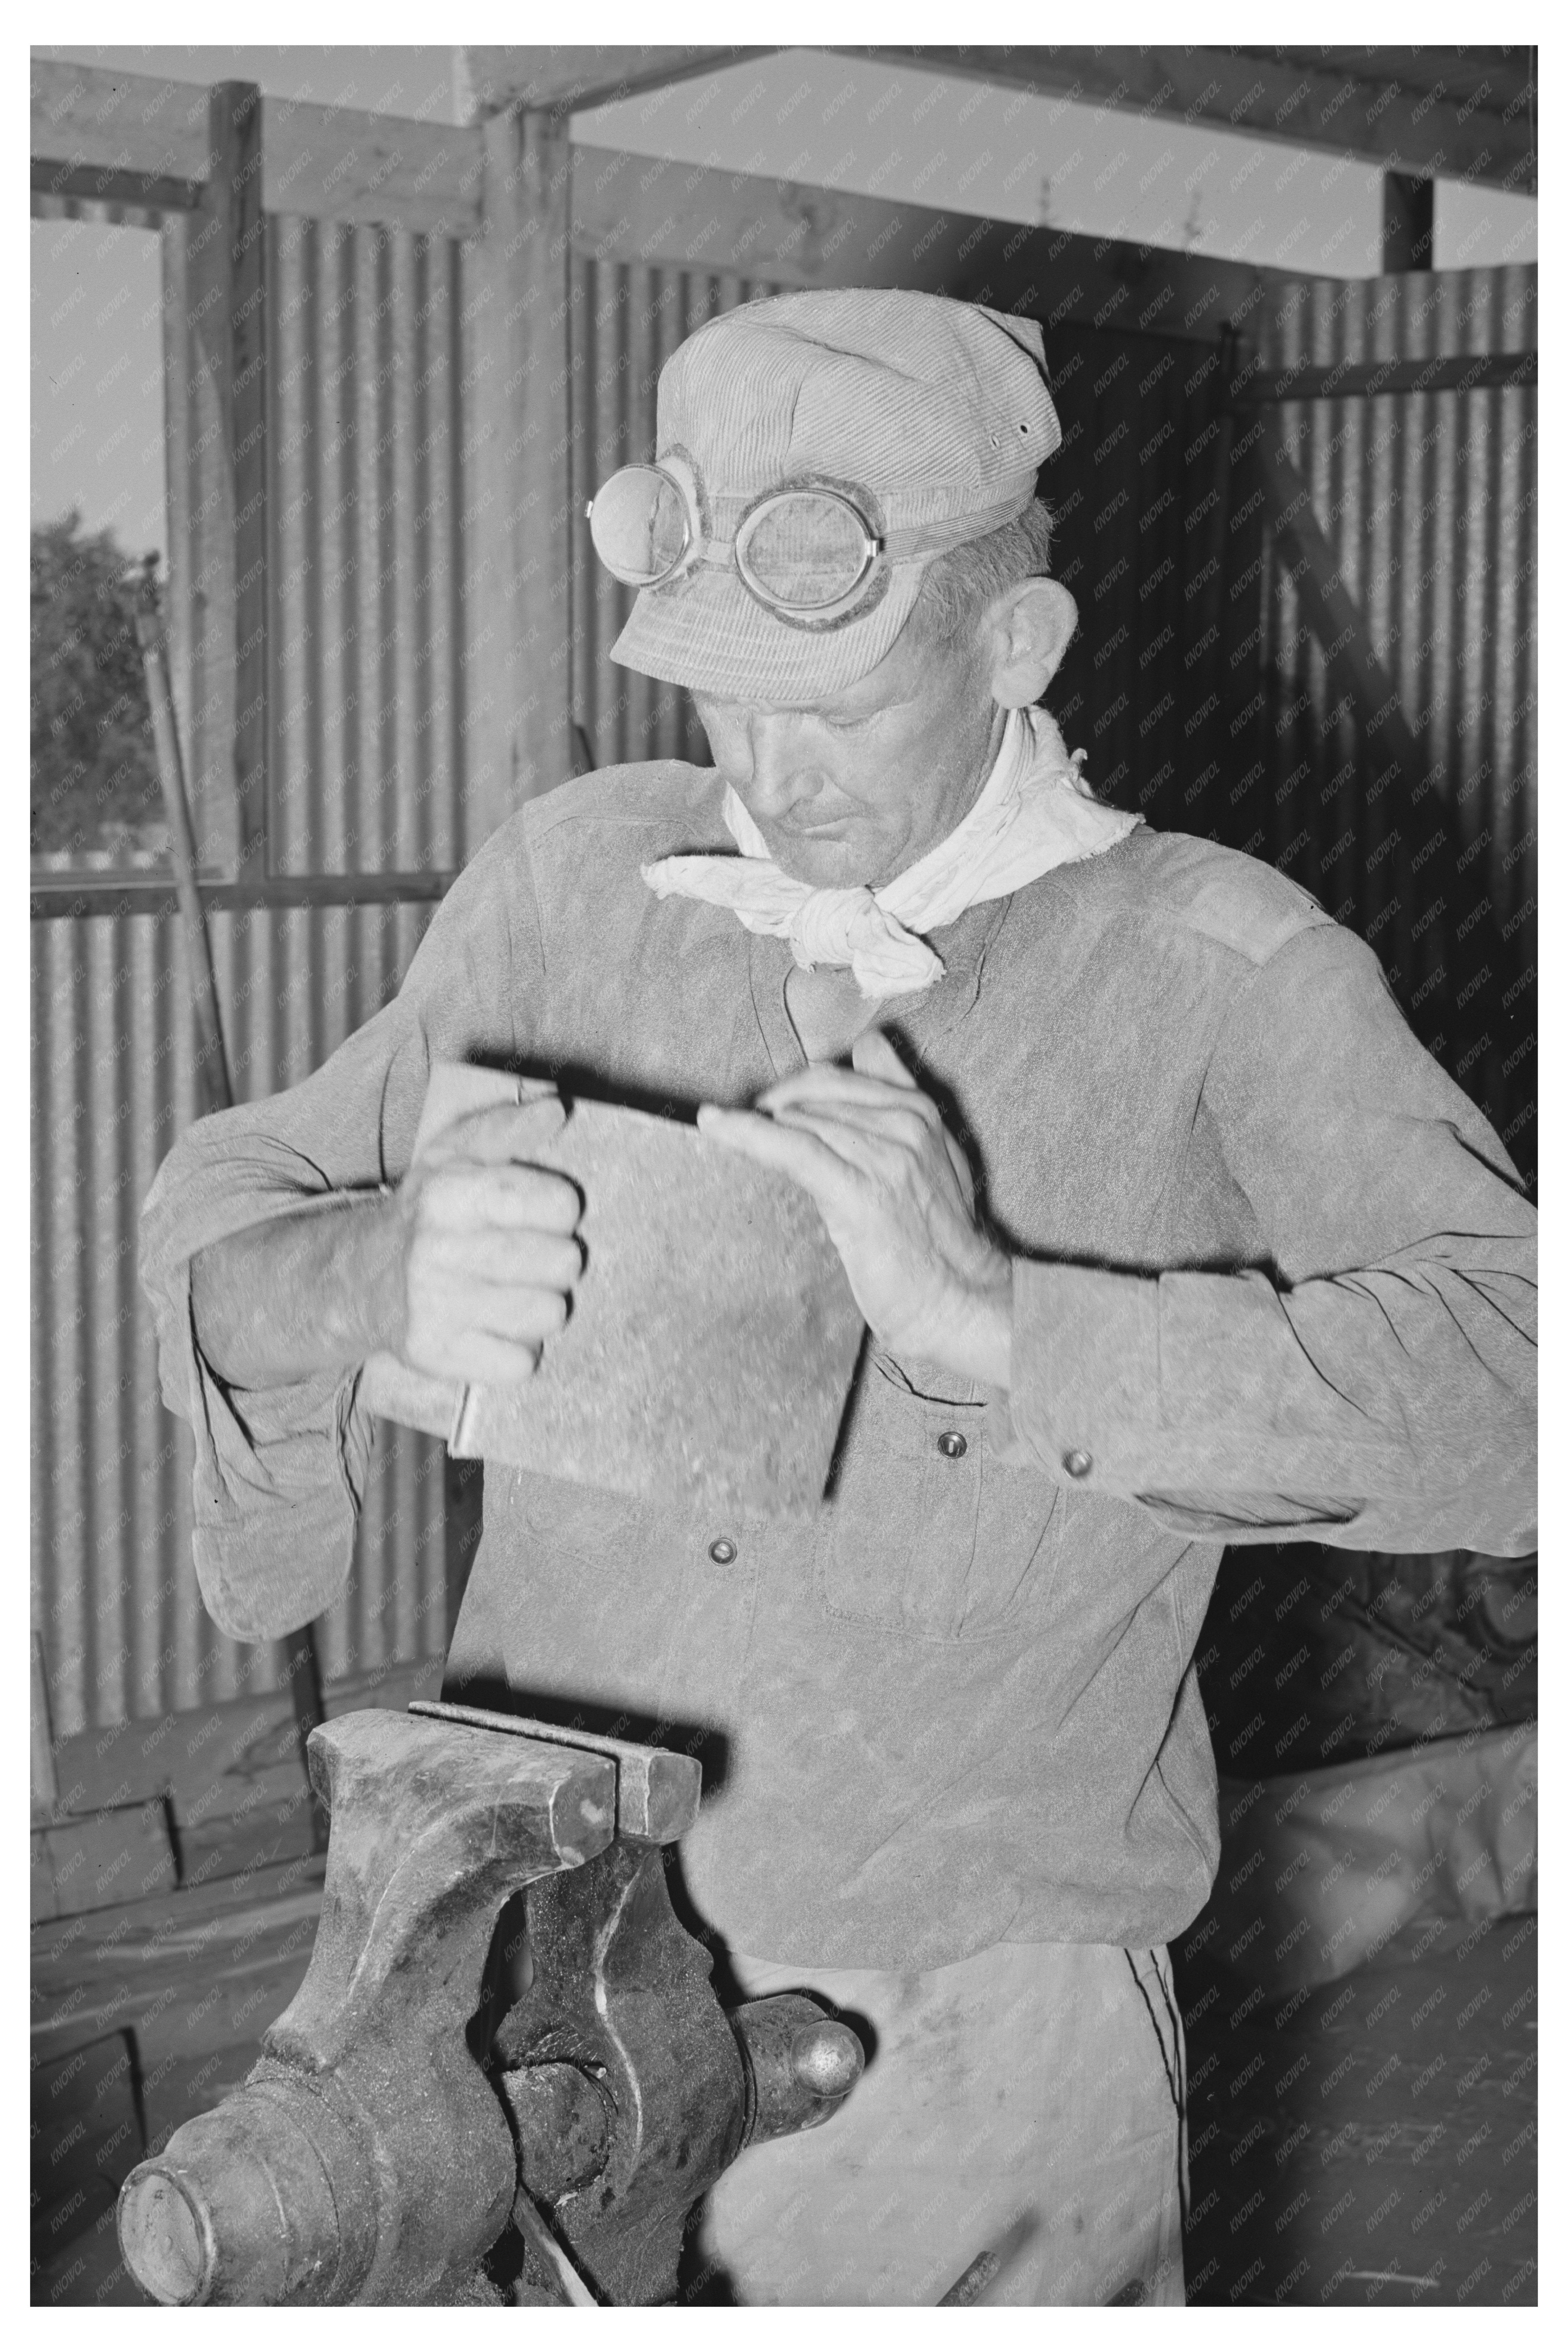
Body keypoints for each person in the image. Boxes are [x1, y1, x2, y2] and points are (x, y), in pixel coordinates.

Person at [139, 288, 1536, 2306]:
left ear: (1013, 644)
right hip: (532, 1996)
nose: (765, 776)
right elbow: (233, 1195)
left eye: (836, 705)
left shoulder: (1218, 970)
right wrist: (365, 1269)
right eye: (720, 704)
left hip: (967, 2082)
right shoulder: (570, 883)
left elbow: (1514, 1386)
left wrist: (1002, 1323)